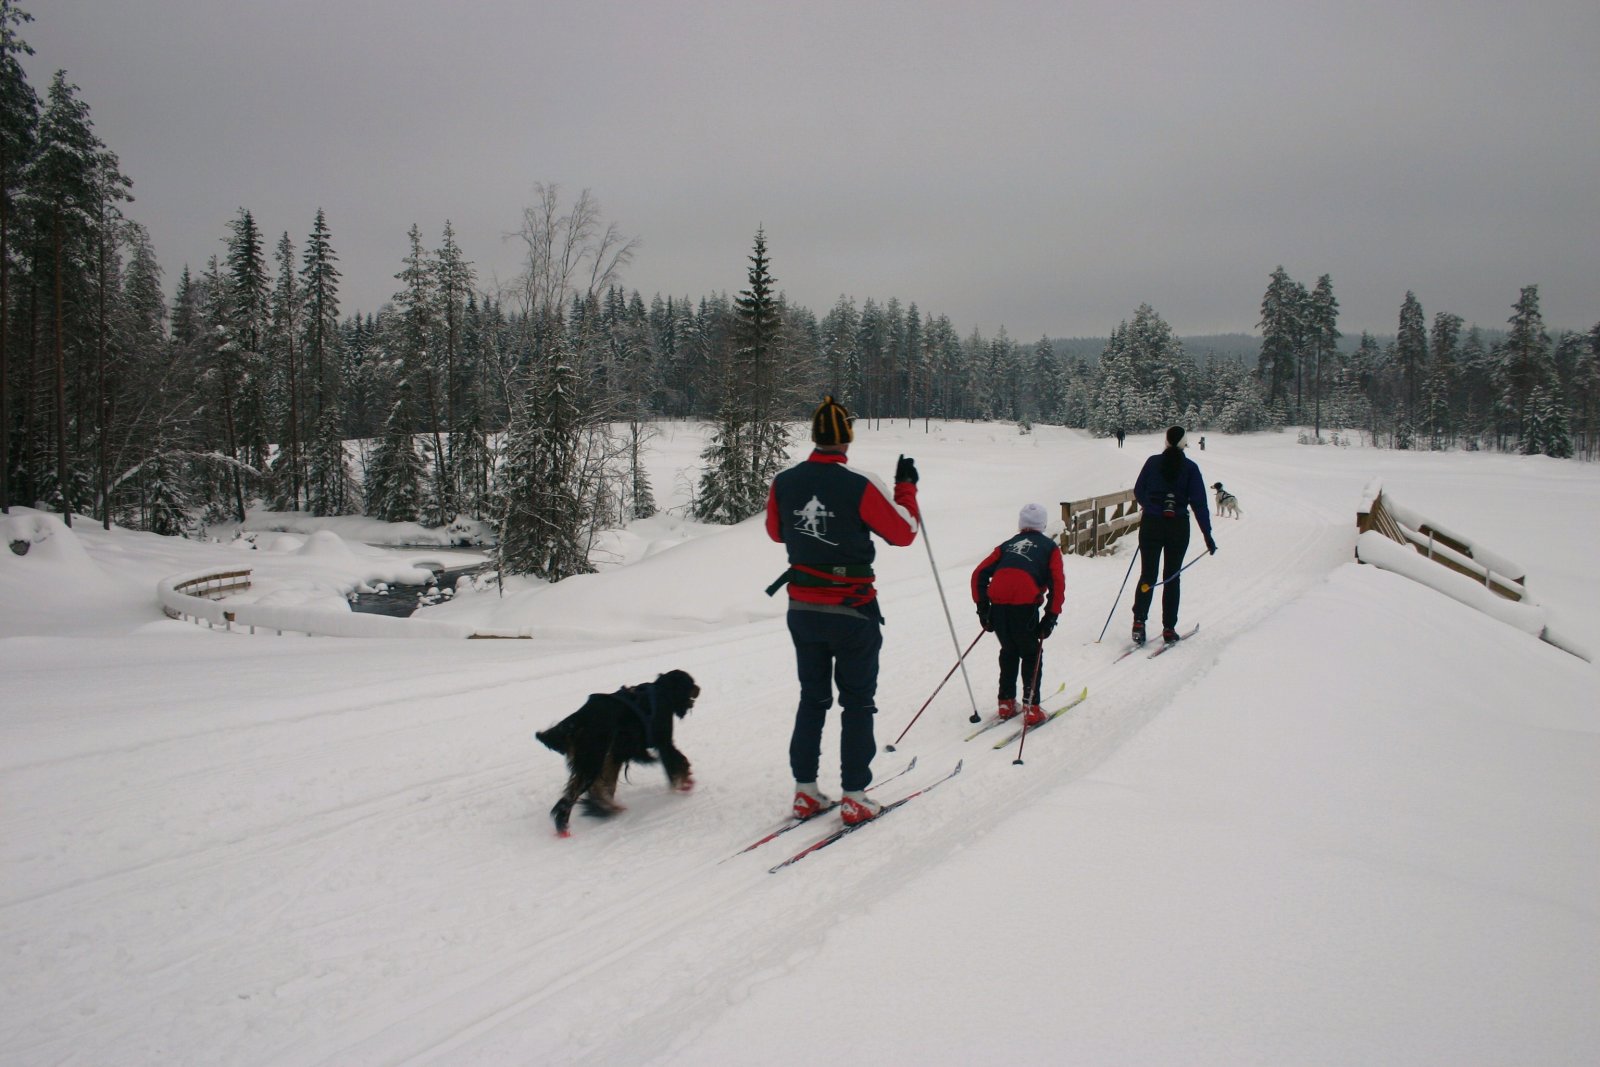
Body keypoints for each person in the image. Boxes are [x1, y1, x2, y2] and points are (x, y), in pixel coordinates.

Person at [766, 396, 920, 826]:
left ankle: (805, 792)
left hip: (802, 608)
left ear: (815, 435)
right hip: (852, 609)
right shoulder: (860, 483)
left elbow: (776, 532)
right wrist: (906, 487)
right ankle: (854, 795)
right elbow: (904, 533)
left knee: (812, 698)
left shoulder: (784, 481)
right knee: (857, 703)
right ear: (846, 438)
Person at [971, 503, 1064, 726]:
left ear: (1021, 524)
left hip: (998, 605)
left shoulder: (1007, 545)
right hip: (1025, 606)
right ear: (1042, 524)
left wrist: (983, 608)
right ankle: (1031, 709)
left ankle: (1006, 703)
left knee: (1009, 650)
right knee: (1031, 653)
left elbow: (978, 574)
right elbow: (1057, 583)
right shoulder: (1050, 548)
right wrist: (1050, 617)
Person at [1131, 426, 1216, 645]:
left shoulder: (1152, 463)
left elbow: (1138, 490)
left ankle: (1139, 622)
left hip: (1151, 524)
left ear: (1166, 441)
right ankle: (1168, 628)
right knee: (1172, 576)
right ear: (1184, 443)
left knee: (1148, 574)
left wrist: (1150, 506)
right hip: (1177, 526)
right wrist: (1207, 535)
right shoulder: (1190, 468)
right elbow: (1199, 503)